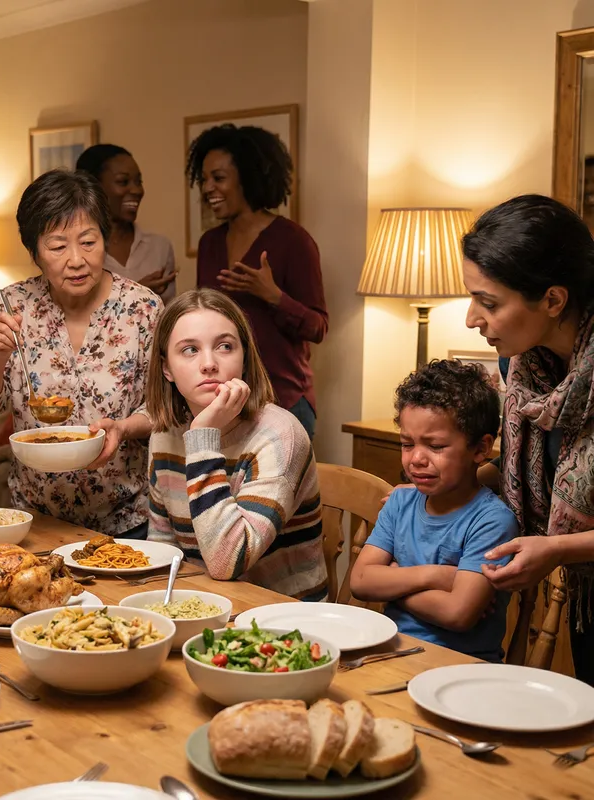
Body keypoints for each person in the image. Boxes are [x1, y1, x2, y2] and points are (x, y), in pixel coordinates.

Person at [0, 170, 161, 537]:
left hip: (125, 519)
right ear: (34, 251)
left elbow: (164, 408)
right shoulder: (14, 302)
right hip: (35, 519)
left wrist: (123, 427)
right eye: (57, 246)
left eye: (88, 241)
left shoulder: (142, 308)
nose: (77, 259)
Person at [462, 194, 594, 683]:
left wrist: (557, 549)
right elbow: (536, 467)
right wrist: (457, 485)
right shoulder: (521, 363)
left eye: (488, 302)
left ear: (554, 300)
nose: (471, 319)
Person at [145, 288, 328, 598]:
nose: (209, 364)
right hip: (199, 605)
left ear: (244, 358)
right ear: (167, 369)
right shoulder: (165, 435)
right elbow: (163, 550)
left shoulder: (280, 435)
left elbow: (227, 562)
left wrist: (203, 435)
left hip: (281, 620)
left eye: (225, 347)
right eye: (189, 350)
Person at [350, 360, 518, 662]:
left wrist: (392, 580)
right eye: (406, 444)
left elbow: (457, 614)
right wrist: (438, 576)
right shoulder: (399, 503)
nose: (416, 459)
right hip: (390, 652)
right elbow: (360, 581)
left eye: (435, 446)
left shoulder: (492, 520)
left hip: (460, 666)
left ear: (480, 449)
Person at [186, 124, 328, 440]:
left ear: (248, 178)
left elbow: (318, 327)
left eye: (218, 178)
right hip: (225, 402)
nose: (208, 188)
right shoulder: (210, 243)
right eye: (205, 179)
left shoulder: (293, 241)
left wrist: (274, 296)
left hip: (284, 400)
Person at [76, 144, 177, 302]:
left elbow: (170, 318)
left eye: (138, 181)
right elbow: (74, 316)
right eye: (123, 182)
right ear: (94, 189)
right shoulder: (76, 253)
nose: (137, 190)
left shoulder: (160, 248)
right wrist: (137, 292)